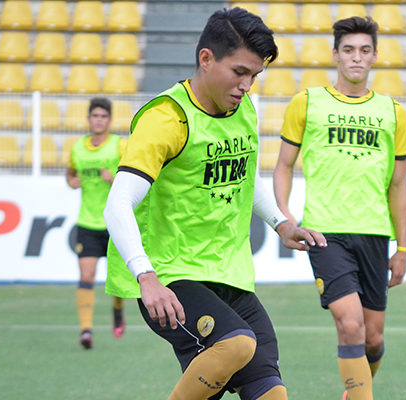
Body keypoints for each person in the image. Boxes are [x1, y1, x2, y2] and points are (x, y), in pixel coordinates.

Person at [103, 8, 325, 400]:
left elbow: (244, 175)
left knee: (267, 381)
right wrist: (147, 277)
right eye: (239, 72)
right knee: (237, 343)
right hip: (170, 275)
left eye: (254, 76)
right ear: (206, 59)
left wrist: (281, 223)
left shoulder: (243, 111)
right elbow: (117, 204)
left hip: (228, 271)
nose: (247, 85)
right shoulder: (167, 119)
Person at [272, 16, 406, 400]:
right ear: (335, 54)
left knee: (373, 338)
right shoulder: (307, 103)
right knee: (350, 326)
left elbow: (398, 184)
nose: (356, 58)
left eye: (365, 50)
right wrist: (284, 216)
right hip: (325, 232)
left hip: (374, 232)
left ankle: (355, 392)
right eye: (348, 50)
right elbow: (283, 165)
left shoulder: (393, 111)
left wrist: (404, 246)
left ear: (374, 56)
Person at [66, 97, 127, 349]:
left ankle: (117, 310)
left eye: (103, 116)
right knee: (87, 275)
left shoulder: (119, 146)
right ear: (89, 119)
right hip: (88, 223)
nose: (98, 120)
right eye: (95, 116)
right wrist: (71, 181)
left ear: (109, 121)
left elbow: (131, 179)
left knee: (117, 282)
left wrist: (114, 179)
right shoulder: (77, 148)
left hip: (114, 223)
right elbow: (70, 173)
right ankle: (86, 330)